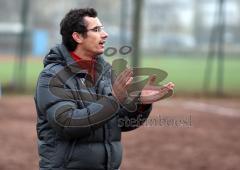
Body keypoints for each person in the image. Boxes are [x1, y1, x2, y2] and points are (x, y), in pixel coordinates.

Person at [34, 8, 174, 170]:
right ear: (77, 36)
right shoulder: (52, 76)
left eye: (102, 28)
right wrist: (113, 100)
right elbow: (68, 124)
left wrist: (139, 104)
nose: (105, 34)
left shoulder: (105, 72)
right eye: (96, 30)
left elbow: (119, 122)